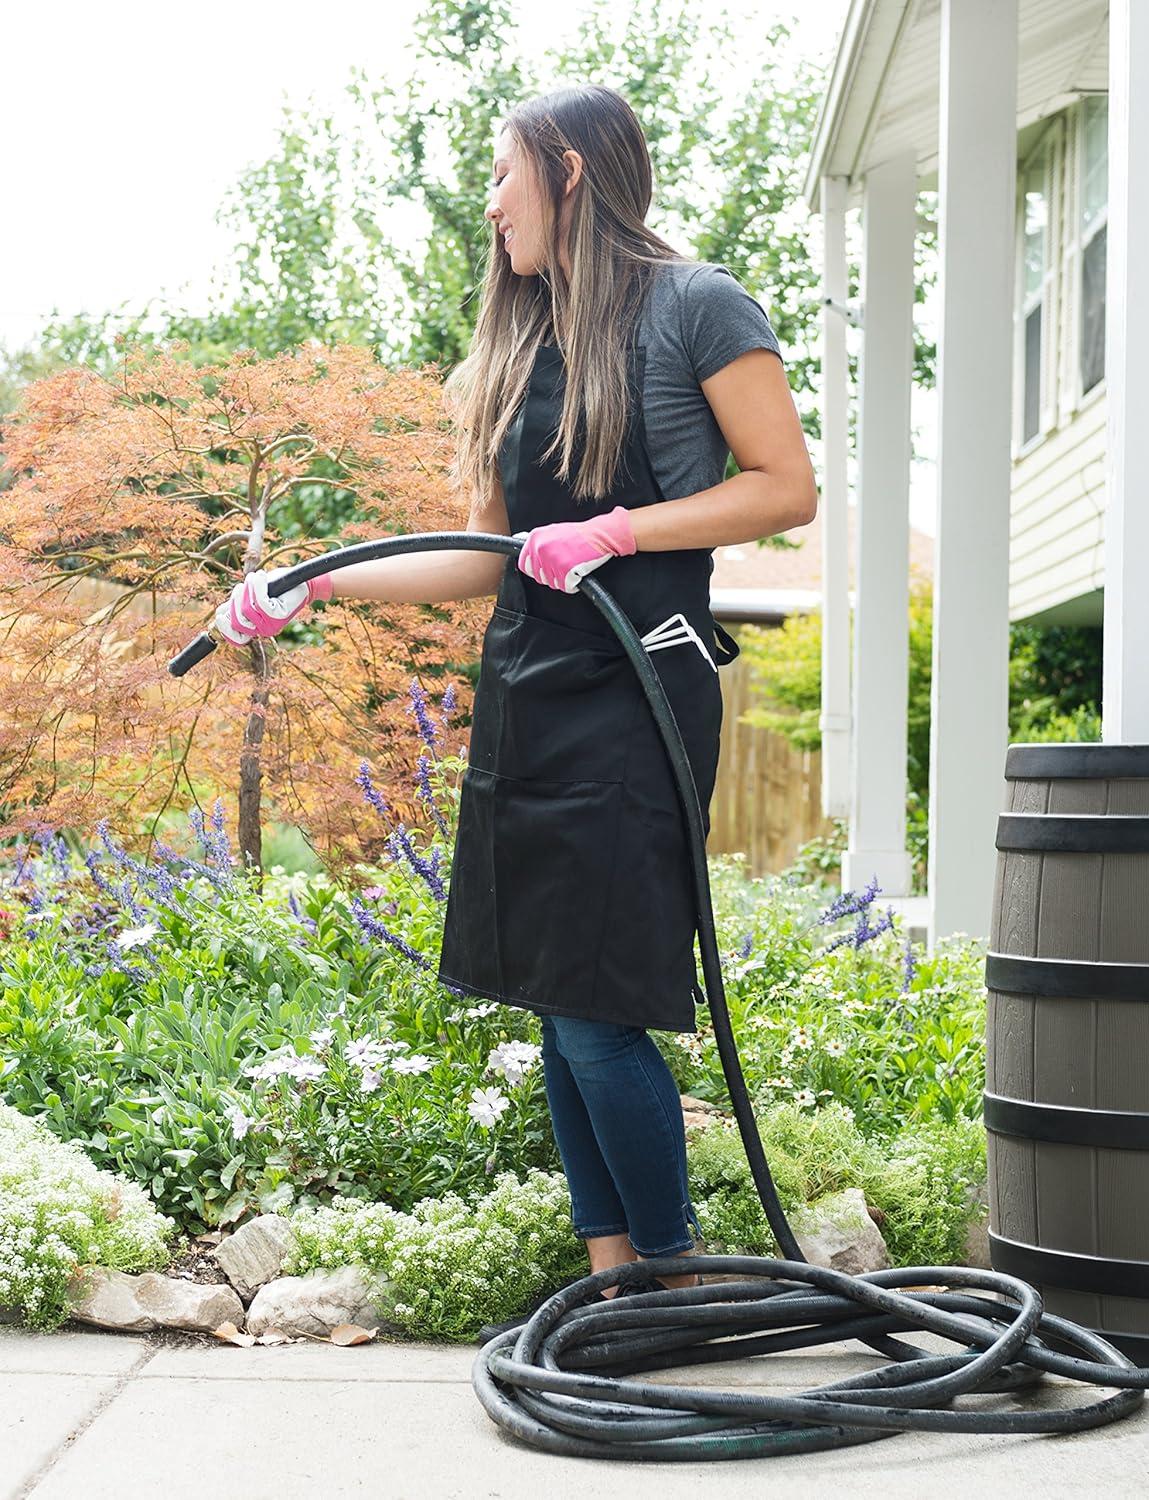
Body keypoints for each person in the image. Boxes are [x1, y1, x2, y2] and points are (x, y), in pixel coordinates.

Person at [213, 84, 818, 1311]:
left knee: (598, 1005)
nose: (490, 206)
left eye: (504, 175)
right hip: (531, 694)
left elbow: (784, 489)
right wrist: (310, 589)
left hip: (641, 683)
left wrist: (614, 529)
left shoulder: (698, 308)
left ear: (574, 173)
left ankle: (672, 1282)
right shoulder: (523, 344)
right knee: (555, 998)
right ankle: (611, 1287)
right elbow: (475, 552)